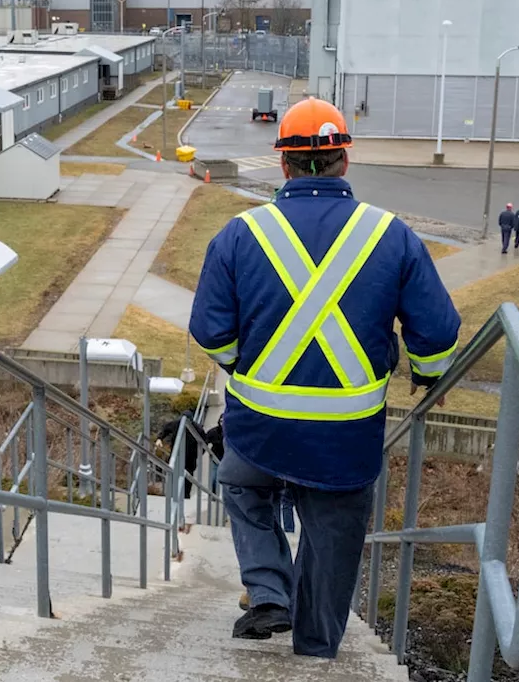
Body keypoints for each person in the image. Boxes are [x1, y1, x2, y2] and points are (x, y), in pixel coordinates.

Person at [189, 97, 460, 657]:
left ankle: (269, 591)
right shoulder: (393, 235)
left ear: (284, 165)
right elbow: (436, 333)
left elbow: (211, 332)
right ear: (344, 161)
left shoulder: (240, 234)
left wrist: (248, 368)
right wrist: (427, 377)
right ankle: (314, 650)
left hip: (260, 429)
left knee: (241, 485)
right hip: (346, 438)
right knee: (332, 537)